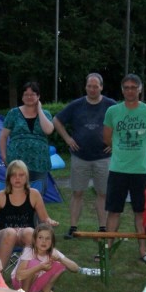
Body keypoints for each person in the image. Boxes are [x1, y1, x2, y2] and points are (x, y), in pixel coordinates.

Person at [104, 74, 146, 263]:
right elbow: (106, 138)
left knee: (141, 212)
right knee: (113, 211)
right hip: (118, 168)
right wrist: (122, 148)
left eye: (133, 87)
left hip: (141, 170)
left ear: (140, 89)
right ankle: (107, 249)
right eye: (126, 87)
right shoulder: (112, 111)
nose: (130, 91)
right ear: (122, 90)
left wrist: (137, 148)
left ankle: (143, 251)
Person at [53, 73, 116, 238]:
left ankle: (103, 228)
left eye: (95, 86)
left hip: (103, 157)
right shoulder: (76, 105)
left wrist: (114, 142)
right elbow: (56, 120)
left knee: (103, 193)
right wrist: (67, 139)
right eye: (89, 86)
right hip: (79, 156)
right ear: (85, 87)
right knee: (77, 193)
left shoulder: (111, 105)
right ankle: (73, 227)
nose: (92, 89)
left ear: (101, 87)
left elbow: (123, 124)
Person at [0, 160, 58, 266]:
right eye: (13, 175)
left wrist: (50, 221)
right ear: (8, 177)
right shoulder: (1, 196)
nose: (17, 178)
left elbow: (44, 218)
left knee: (29, 232)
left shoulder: (34, 194)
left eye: (21, 175)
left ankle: (32, 270)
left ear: (26, 177)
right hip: (3, 234)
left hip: (25, 234)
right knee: (10, 232)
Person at [0, 81, 55, 185]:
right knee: (16, 191)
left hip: (39, 162)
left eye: (32, 94)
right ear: (22, 97)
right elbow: (3, 136)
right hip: (16, 161)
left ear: (38, 96)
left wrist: (39, 110)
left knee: (38, 191)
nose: (29, 97)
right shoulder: (13, 113)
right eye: (26, 94)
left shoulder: (46, 114)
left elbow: (48, 130)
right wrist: (4, 156)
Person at [11, 223, 79, 292]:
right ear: (34, 239)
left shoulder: (53, 252)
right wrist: (39, 267)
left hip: (35, 284)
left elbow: (75, 269)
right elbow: (19, 276)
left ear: (52, 241)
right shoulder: (29, 251)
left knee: (60, 264)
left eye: (47, 238)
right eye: (40, 237)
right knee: (34, 263)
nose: (44, 241)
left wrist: (60, 259)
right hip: (20, 285)